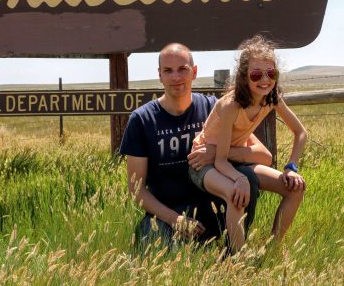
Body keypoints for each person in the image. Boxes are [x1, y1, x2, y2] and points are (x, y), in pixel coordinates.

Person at [119, 42, 272, 248]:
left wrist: (215, 153)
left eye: (183, 69)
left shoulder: (214, 107)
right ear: (160, 75)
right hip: (165, 214)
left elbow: (261, 154)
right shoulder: (142, 120)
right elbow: (136, 189)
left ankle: (231, 254)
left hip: (212, 206)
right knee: (152, 250)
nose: (176, 77)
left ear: (194, 72)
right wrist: (176, 219)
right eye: (168, 70)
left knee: (248, 179)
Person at [189, 34, 307, 252]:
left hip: (232, 159)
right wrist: (240, 178)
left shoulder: (271, 98)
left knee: (296, 189)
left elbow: (301, 133)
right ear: (244, 77)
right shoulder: (230, 106)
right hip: (204, 162)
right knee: (236, 194)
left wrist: (291, 168)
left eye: (271, 73)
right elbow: (221, 161)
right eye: (256, 74)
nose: (265, 80)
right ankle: (238, 262)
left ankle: (271, 251)